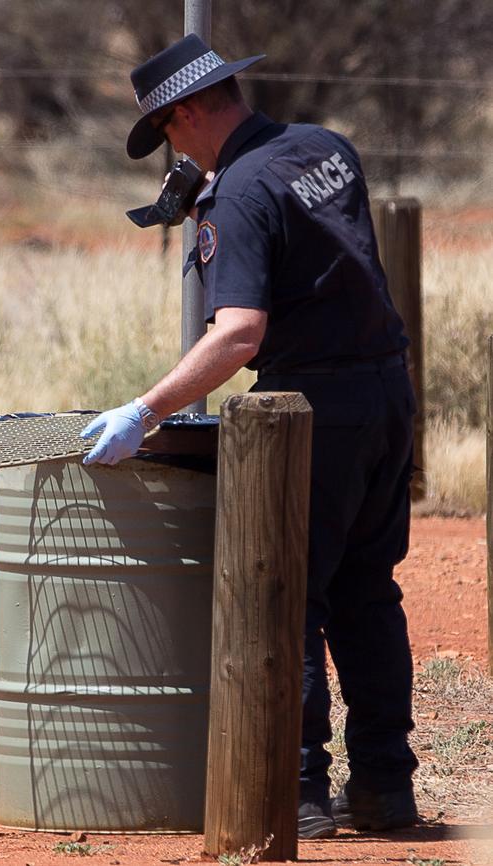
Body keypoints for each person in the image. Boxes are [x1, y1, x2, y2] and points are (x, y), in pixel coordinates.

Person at [80, 34, 419, 839]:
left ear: (190, 110)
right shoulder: (323, 148)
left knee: (285, 598)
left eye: (168, 130)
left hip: (310, 414)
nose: (172, 145)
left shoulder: (237, 196)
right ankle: (384, 788)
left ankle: (294, 791)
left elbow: (237, 334)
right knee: (368, 595)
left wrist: (146, 409)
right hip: (386, 395)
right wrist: (212, 189)